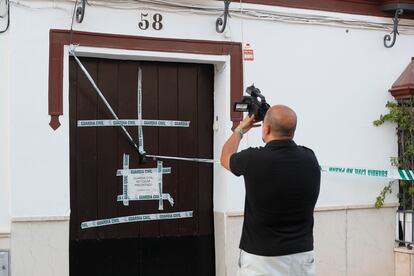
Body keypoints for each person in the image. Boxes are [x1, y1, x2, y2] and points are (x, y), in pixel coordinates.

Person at [220, 105, 321, 276]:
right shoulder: (310, 157)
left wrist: (241, 129)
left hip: (261, 260)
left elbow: (225, 157)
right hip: (302, 256)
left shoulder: (253, 159)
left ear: (266, 128)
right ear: (293, 131)